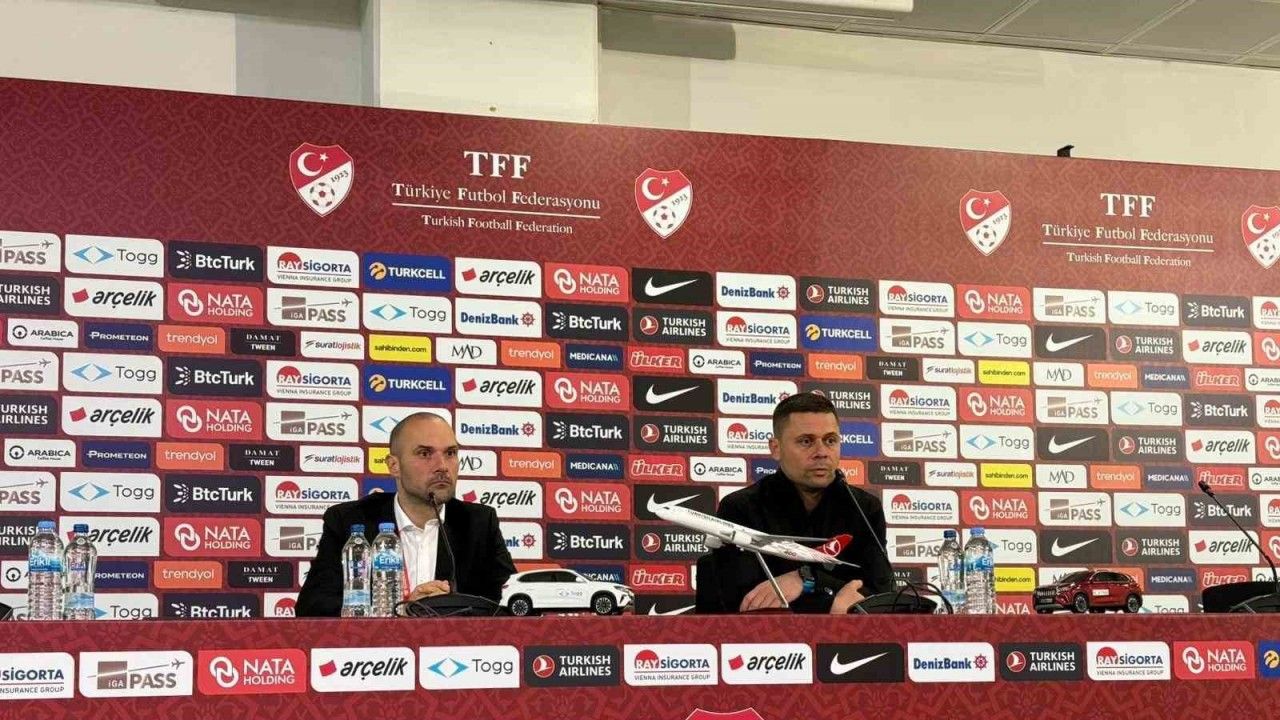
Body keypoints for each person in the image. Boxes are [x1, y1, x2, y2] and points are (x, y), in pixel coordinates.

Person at [297, 412, 516, 616]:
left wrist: (448, 608)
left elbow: (511, 607)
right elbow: (313, 606)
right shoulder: (349, 520)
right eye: (425, 454)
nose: (442, 466)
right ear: (394, 466)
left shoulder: (479, 523)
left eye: (450, 453)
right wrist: (403, 609)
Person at [696, 392, 894, 614]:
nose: (821, 452)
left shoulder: (865, 508)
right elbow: (748, 603)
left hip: (849, 636)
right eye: (806, 441)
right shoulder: (740, 507)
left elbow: (881, 594)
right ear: (776, 448)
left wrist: (806, 579)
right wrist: (832, 602)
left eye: (830, 440)